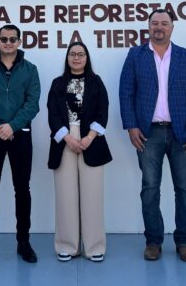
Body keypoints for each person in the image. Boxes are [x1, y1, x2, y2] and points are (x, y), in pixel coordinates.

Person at [118, 8, 186, 263]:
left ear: (172, 27)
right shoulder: (135, 55)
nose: (159, 27)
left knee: (185, 189)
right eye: (155, 23)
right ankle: (153, 241)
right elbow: (126, 92)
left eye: (164, 23)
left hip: (182, 133)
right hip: (148, 133)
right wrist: (131, 126)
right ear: (149, 27)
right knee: (150, 189)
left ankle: (185, 242)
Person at [0, 24, 41, 264]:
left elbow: (33, 103)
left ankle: (24, 242)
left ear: (19, 42)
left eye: (13, 39)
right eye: (4, 39)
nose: (8, 43)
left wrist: (12, 126)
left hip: (20, 135)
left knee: (22, 189)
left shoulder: (30, 69)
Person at [47, 41, 112, 263]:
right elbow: (53, 114)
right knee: (65, 195)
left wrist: (88, 138)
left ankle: (94, 247)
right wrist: (67, 138)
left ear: (87, 57)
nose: (76, 58)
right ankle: (67, 245)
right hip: (64, 139)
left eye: (81, 54)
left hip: (91, 139)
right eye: (72, 54)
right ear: (67, 58)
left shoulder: (96, 82)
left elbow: (103, 112)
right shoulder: (57, 83)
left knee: (92, 195)